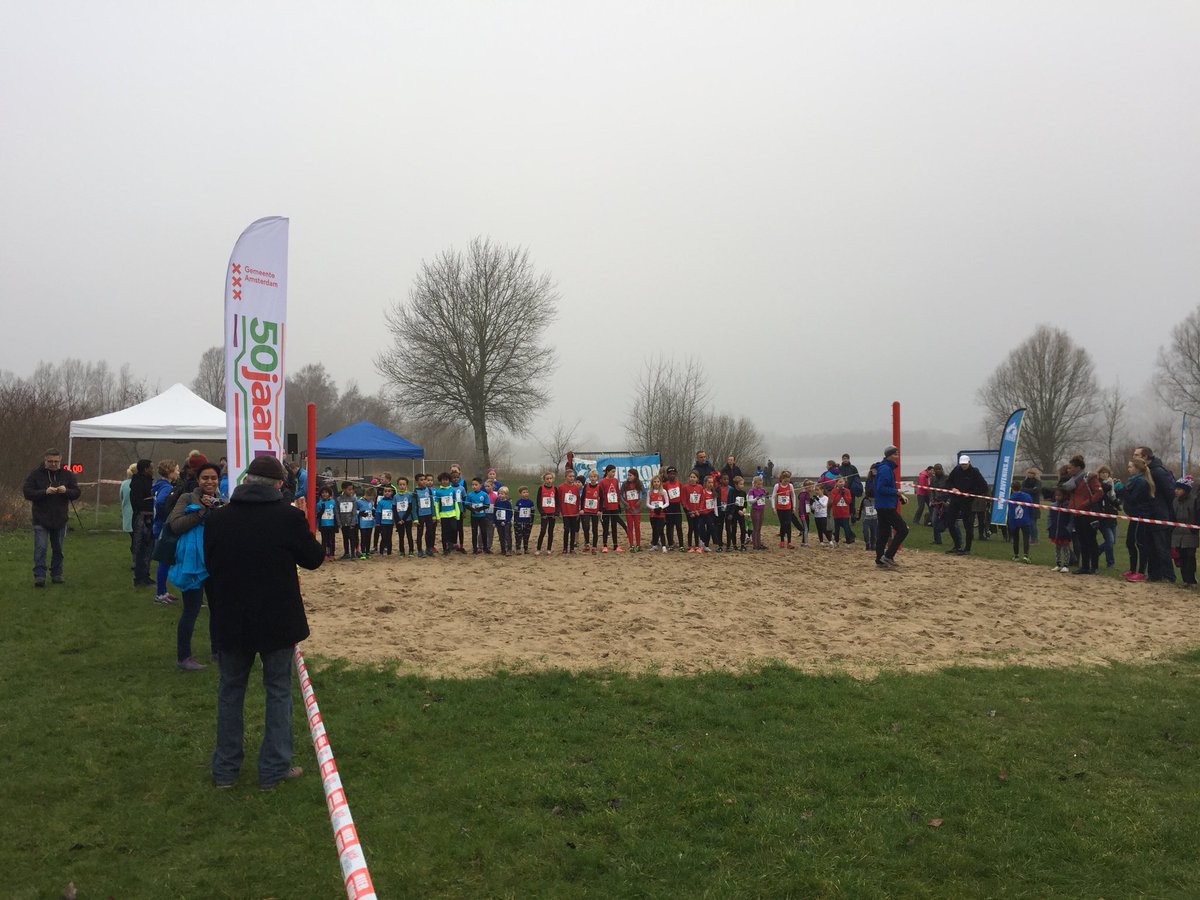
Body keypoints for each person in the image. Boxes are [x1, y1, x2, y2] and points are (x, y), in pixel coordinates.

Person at [203, 454, 324, 790]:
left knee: (230, 693)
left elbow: (210, 562)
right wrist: (305, 523)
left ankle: (225, 770)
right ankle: (273, 769)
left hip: (231, 620)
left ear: (245, 482)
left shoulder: (217, 520)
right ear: (277, 485)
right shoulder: (287, 518)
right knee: (278, 692)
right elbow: (313, 559)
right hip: (277, 621)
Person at [166, 461, 222, 670]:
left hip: (215, 562)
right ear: (198, 480)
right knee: (191, 609)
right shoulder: (187, 498)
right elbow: (176, 525)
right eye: (205, 478)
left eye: (213, 478)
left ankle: (218, 651)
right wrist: (200, 512)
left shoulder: (221, 500)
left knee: (218, 609)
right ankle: (184, 656)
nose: (210, 481)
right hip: (193, 563)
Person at [22, 448, 81, 587]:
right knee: (41, 548)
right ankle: (39, 576)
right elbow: (27, 493)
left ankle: (57, 574)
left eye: (56, 461)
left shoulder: (67, 475)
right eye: (51, 461)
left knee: (58, 549)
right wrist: (44, 492)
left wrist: (66, 491)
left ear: (60, 461)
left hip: (60, 518)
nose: (54, 464)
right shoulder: (35, 475)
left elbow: (77, 492)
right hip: (40, 518)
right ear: (45, 461)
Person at [1134, 446, 1177, 583]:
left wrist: (1169, 513)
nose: (1134, 457)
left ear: (1145, 456)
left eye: (1137, 454)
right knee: (1150, 546)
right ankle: (1154, 574)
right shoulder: (1143, 472)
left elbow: (1170, 493)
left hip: (1160, 515)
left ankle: (1169, 576)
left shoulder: (1158, 472)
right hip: (1148, 514)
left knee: (1161, 547)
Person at [1061, 455, 1103, 575]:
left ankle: (1094, 567)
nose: (1069, 470)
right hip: (1077, 513)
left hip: (1088, 513)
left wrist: (1087, 503)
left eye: (1071, 468)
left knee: (1091, 540)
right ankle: (1084, 566)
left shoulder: (1090, 477)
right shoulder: (1072, 480)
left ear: (1078, 467)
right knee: (1082, 540)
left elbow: (1099, 492)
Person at [943, 455, 988, 555]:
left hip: (967, 502)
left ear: (969, 463)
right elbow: (948, 482)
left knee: (968, 525)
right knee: (950, 523)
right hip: (955, 500)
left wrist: (971, 493)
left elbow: (984, 487)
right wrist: (952, 489)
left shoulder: (975, 472)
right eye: (962, 464)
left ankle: (967, 548)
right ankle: (957, 545)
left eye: (965, 464)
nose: (963, 466)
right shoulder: (956, 470)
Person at [873, 446, 909, 568]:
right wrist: (896, 492)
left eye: (897, 454)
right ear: (888, 455)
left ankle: (879, 560)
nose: (896, 456)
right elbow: (881, 488)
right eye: (894, 454)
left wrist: (897, 494)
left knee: (883, 533)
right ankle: (888, 556)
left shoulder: (886, 468)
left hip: (884, 504)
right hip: (886, 506)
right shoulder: (885, 469)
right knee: (903, 529)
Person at [1119, 458, 1153, 581]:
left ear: (1137, 468)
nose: (1128, 469)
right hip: (1134, 515)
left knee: (1140, 543)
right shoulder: (1133, 481)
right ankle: (1132, 569)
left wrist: (1122, 490)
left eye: (1130, 467)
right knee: (1129, 542)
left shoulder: (1141, 482)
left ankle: (1141, 572)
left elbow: (1133, 498)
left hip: (1140, 515)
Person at [152, 459, 181, 604]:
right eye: (176, 469)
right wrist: (170, 514)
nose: (178, 472)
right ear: (169, 472)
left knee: (165, 561)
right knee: (164, 561)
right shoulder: (166, 488)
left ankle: (163, 591)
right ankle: (160, 594)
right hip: (163, 526)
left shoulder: (160, 485)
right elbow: (161, 502)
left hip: (158, 525)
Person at [130, 459, 156, 588]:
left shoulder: (147, 481)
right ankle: (139, 577)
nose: (153, 470)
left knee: (149, 548)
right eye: (151, 467)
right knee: (142, 548)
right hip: (142, 518)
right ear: (146, 469)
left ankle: (145, 575)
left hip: (149, 517)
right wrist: (152, 502)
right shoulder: (138, 483)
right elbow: (137, 502)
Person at [1171, 478, 1198, 588]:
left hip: (1190, 533)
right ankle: (1185, 580)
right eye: (1175, 489)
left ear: (1185, 490)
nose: (1176, 491)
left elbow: (1196, 516)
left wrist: (1194, 529)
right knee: (1181, 557)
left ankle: (1192, 581)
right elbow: (1173, 516)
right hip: (1178, 533)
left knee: (1190, 556)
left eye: (1179, 489)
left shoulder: (1194, 501)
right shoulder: (1175, 501)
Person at [1047, 485, 1074, 572]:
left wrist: (1068, 529)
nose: (1057, 497)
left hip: (1064, 530)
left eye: (1059, 495)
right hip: (1055, 530)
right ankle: (1058, 564)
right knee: (1057, 548)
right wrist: (1049, 526)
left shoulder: (1068, 506)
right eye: (1056, 495)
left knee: (1066, 548)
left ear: (1064, 496)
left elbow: (1071, 519)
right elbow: (1049, 517)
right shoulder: (1053, 505)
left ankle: (1066, 565)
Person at [1006, 479, 1033, 562]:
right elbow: (1031, 508)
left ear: (1012, 488)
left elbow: (1010, 511)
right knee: (1026, 538)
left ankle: (1016, 556)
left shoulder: (1011, 498)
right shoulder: (1027, 496)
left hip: (1014, 521)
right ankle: (1025, 555)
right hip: (1025, 520)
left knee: (1016, 538)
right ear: (1021, 487)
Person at [557, 468, 582, 554]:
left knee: (573, 530)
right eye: (570, 476)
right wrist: (559, 511)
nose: (572, 478)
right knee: (566, 530)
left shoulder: (576, 487)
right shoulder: (561, 487)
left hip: (574, 512)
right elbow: (559, 500)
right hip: (565, 512)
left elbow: (578, 499)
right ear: (566, 477)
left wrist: (578, 510)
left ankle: (572, 548)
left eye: (573, 476)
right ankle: (564, 548)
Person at [534, 471, 558, 555]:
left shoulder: (555, 489)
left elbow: (557, 502)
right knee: (543, 531)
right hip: (544, 514)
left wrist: (556, 513)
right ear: (544, 480)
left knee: (550, 531)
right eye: (547, 479)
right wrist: (542, 513)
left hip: (552, 514)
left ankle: (549, 548)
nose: (549, 480)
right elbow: (538, 502)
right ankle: (538, 548)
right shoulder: (541, 488)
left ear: (553, 479)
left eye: (550, 478)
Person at [771, 469, 796, 549]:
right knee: (783, 524)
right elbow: (773, 497)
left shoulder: (790, 486)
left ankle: (789, 542)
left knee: (788, 524)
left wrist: (794, 506)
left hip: (788, 508)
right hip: (780, 509)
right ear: (781, 479)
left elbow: (793, 496)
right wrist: (773, 507)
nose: (786, 482)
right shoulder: (777, 486)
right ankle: (782, 541)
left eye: (788, 481)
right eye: (785, 481)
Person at [335, 482, 359, 560]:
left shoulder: (353, 499)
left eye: (352, 489)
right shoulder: (338, 499)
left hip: (351, 523)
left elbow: (354, 512)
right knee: (345, 538)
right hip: (343, 522)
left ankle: (353, 553)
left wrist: (352, 522)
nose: (351, 491)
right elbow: (337, 512)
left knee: (352, 538)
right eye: (349, 489)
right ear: (344, 489)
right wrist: (339, 522)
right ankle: (346, 553)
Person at [662, 466, 684, 551]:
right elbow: (663, 497)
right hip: (669, 507)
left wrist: (683, 505)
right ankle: (670, 544)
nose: (672, 475)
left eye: (674, 474)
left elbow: (681, 496)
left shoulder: (679, 483)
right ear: (667, 475)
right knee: (669, 527)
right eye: (670, 474)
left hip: (677, 507)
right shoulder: (665, 485)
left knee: (679, 526)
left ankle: (681, 545)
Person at [119, 462, 136, 569]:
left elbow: (121, 498)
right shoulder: (141, 484)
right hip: (138, 516)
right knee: (138, 540)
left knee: (134, 538)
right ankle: (136, 561)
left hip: (127, 516)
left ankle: (135, 560)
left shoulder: (124, 484)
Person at [621, 469, 643, 552]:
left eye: (630, 475)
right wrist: (625, 503)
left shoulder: (639, 483)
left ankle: (638, 545)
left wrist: (640, 501)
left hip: (637, 509)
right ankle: (631, 545)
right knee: (630, 527)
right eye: (628, 475)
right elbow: (620, 494)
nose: (628, 477)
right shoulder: (624, 484)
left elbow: (644, 493)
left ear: (635, 476)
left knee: (637, 527)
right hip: (628, 509)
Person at [1020, 468, 1043, 545]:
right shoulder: (1024, 482)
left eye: (1032, 473)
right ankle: (1029, 538)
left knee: (1033, 523)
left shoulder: (1038, 482)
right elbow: (1021, 489)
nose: (1030, 474)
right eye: (1029, 472)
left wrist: (1026, 490)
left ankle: (1035, 539)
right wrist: (1030, 490)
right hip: (1025, 505)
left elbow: (1036, 491)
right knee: (1027, 523)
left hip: (1034, 505)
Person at [829, 477, 854, 546]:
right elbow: (834, 501)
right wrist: (840, 494)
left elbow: (849, 501)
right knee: (837, 529)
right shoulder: (834, 491)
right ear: (836, 483)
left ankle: (848, 542)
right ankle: (836, 541)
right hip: (837, 513)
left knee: (846, 528)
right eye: (839, 482)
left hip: (845, 513)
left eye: (842, 482)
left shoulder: (847, 491)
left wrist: (844, 495)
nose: (841, 483)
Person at [838, 454, 863, 521]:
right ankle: (844, 517)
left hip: (851, 489)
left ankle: (853, 517)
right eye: (844, 458)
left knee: (852, 503)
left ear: (849, 459)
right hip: (842, 489)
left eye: (846, 458)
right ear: (842, 459)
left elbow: (857, 477)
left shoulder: (853, 468)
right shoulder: (839, 468)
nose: (845, 460)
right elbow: (837, 478)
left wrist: (855, 485)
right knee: (843, 503)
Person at [316, 486, 337, 559]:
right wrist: (322, 510)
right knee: (324, 540)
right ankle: (324, 554)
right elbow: (317, 515)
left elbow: (335, 513)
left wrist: (337, 524)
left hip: (331, 524)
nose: (324, 494)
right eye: (323, 493)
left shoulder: (333, 502)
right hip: (323, 524)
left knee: (331, 540)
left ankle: (332, 554)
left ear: (329, 494)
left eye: (326, 492)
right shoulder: (319, 504)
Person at [747, 475, 767, 550]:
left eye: (761, 484)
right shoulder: (751, 491)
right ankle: (755, 545)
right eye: (758, 484)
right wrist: (757, 498)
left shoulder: (763, 490)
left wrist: (767, 496)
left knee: (759, 528)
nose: (760, 486)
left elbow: (768, 497)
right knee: (755, 528)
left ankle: (759, 543)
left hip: (761, 510)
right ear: (754, 484)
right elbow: (750, 501)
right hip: (755, 510)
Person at [493, 486, 514, 555]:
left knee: (507, 536)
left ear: (506, 495)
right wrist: (494, 522)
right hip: (498, 522)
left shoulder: (507, 503)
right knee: (501, 536)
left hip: (506, 522)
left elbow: (509, 513)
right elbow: (495, 512)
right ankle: (503, 549)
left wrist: (505, 521)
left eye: (502, 494)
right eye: (499, 493)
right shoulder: (497, 502)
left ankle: (509, 549)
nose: (500, 495)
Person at [514, 486, 535, 554]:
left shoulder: (531, 502)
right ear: (520, 494)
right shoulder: (518, 502)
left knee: (526, 535)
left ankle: (526, 548)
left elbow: (532, 513)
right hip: (519, 522)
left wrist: (531, 521)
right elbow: (516, 513)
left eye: (527, 492)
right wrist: (516, 521)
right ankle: (518, 549)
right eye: (524, 492)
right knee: (518, 536)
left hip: (527, 522)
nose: (526, 494)